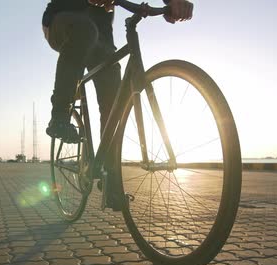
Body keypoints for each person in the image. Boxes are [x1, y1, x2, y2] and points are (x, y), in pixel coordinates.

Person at [42, 0, 193, 209]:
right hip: (63, 20)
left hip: (102, 37)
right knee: (85, 31)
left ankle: (111, 179)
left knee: (113, 100)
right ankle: (59, 114)